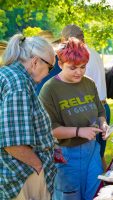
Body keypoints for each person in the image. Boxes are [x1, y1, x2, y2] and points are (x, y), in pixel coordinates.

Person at [39, 37, 108, 200]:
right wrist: (79, 131)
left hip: (92, 152)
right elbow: (51, 130)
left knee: (97, 194)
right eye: (73, 67)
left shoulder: (89, 83)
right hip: (66, 156)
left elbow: (100, 112)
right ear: (60, 64)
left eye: (83, 67)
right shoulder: (49, 90)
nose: (79, 72)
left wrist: (103, 124)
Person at [0, 34, 56, 200]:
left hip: (16, 172)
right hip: (23, 175)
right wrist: (39, 166)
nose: (49, 73)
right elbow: (13, 144)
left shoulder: (8, 75)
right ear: (35, 62)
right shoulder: (19, 85)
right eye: (50, 67)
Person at [61, 24, 110, 170]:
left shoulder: (78, 56)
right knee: (98, 155)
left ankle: (100, 188)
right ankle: (104, 185)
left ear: (68, 39)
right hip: (102, 106)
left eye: (63, 42)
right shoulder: (93, 52)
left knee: (90, 159)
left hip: (91, 109)